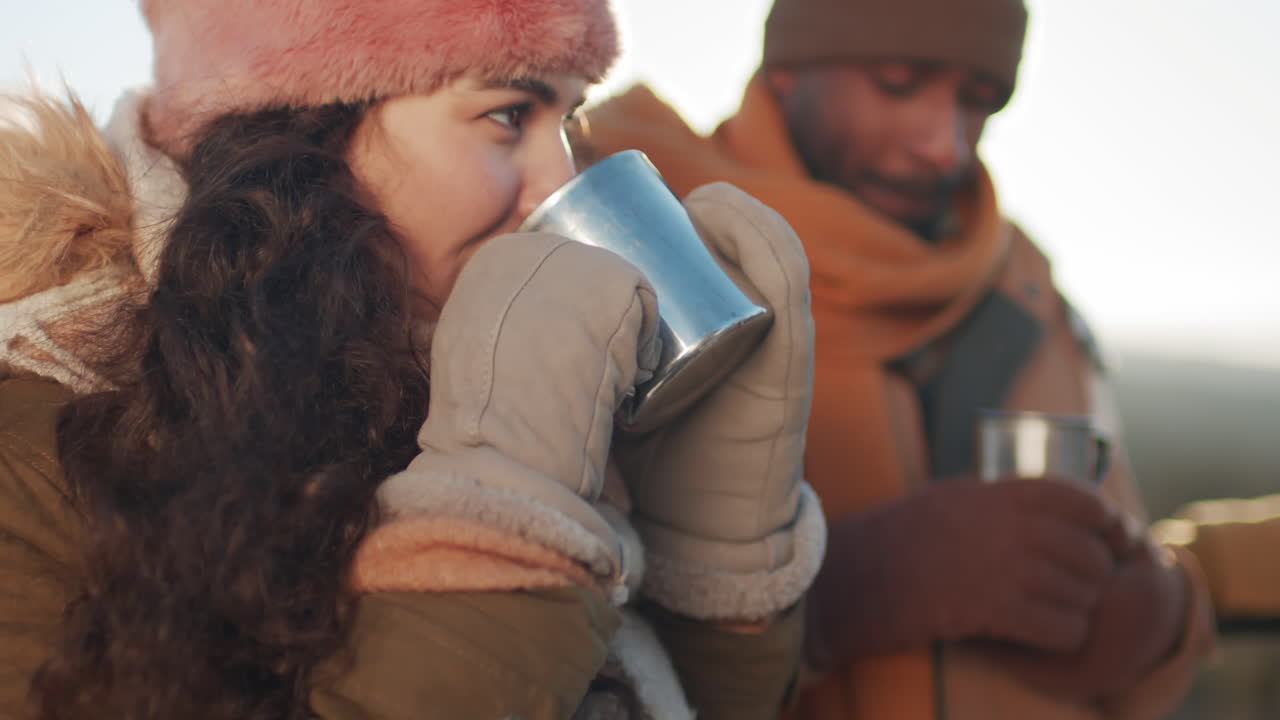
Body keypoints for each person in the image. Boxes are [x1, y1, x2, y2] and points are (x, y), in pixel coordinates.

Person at [0, 1, 825, 719]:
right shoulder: (40, 452)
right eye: (508, 115)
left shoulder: (465, 364)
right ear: (302, 135)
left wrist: (716, 556)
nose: (559, 182)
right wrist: (495, 526)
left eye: (570, 122)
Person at [580, 0, 1217, 717]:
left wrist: (1160, 621)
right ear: (789, 70)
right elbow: (552, 636)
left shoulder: (1030, 295)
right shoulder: (632, 240)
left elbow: (1125, 546)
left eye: (978, 103)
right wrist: (851, 594)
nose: (944, 146)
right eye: (897, 83)